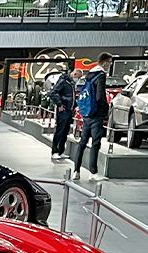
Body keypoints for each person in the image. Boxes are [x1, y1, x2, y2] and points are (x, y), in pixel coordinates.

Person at [72, 52, 113, 180]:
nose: (110, 64)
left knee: (82, 142)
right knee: (95, 143)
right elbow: (100, 95)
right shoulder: (100, 75)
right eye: (110, 62)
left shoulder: (89, 74)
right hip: (96, 113)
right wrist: (105, 110)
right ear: (105, 62)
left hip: (87, 112)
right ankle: (93, 172)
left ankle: (76, 171)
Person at [49, 67, 81, 160]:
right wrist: (59, 104)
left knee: (65, 131)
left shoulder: (71, 84)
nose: (78, 79)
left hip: (69, 110)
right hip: (63, 110)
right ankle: (54, 151)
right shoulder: (63, 82)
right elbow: (53, 93)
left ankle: (60, 151)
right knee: (60, 130)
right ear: (74, 75)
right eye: (78, 77)